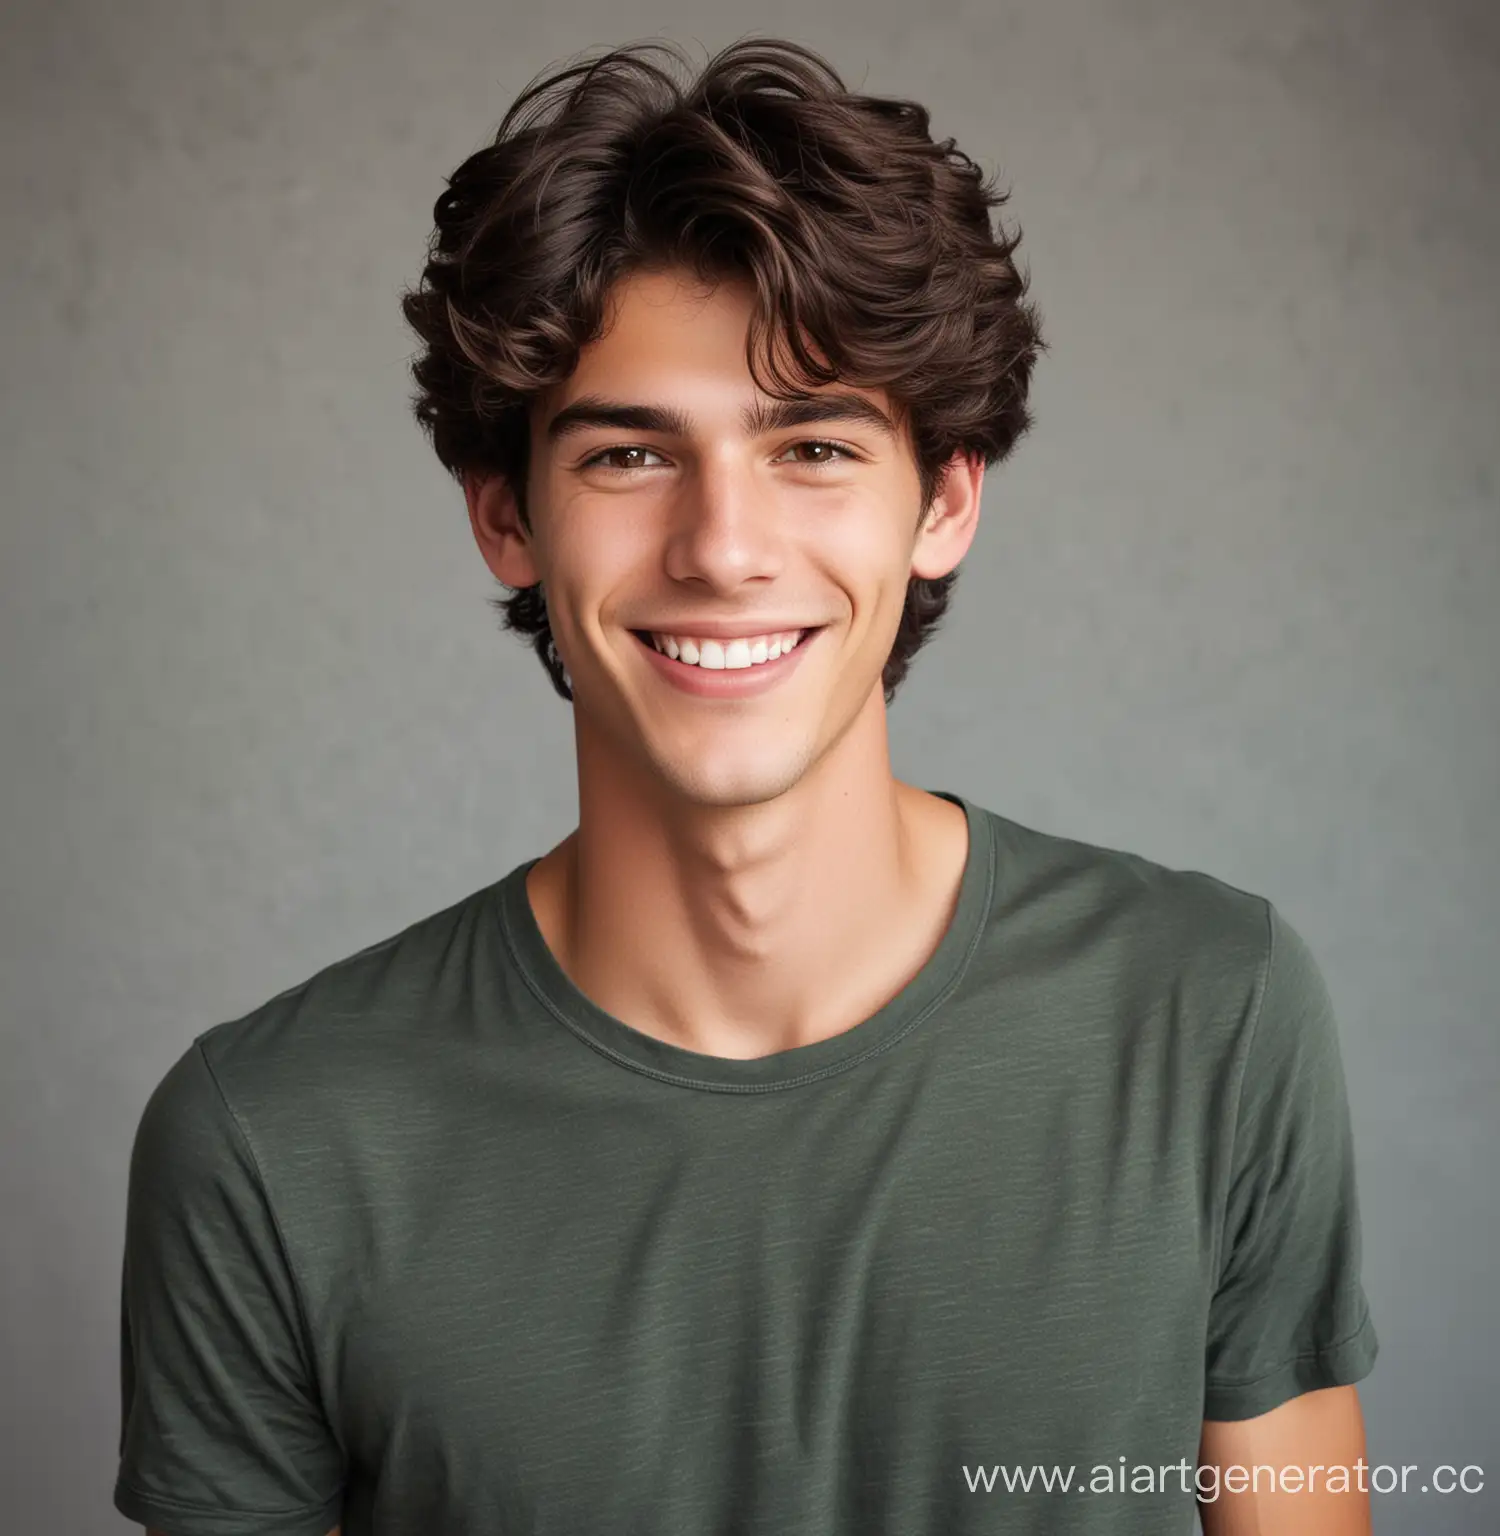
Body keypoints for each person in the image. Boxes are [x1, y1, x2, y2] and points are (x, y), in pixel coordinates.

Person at [114, 36, 1379, 1536]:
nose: (724, 546)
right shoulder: (271, 1143)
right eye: (632, 456)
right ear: (505, 518)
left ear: (947, 500)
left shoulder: (1212, 1015)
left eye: (816, 446)